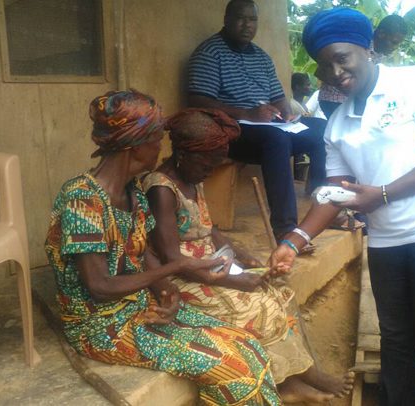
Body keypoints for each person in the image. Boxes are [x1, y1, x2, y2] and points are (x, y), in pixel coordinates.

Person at [269, 8, 415, 405]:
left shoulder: (414, 82)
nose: (335, 71)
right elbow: (334, 192)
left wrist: (382, 194)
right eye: (325, 65)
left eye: (342, 58)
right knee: (394, 335)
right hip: (386, 240)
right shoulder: (339, 124)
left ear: (366, 48)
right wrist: (294, 240)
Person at [44, 90, 280, 405]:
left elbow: (144, 255)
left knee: (249, 346)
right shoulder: (83, 200)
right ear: (135, 145)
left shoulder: (133, 192)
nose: (160, 147)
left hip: (142, 307)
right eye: (156, 139)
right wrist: (178, 266)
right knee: (234, 369)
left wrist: (167, 292)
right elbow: (100, 286)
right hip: (102, 327)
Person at [143, 108, 354, 404]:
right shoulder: (161, 190)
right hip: (184, 278)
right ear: (183, 154)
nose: (210, 171)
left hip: (211, 268)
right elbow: (171, 259)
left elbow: (208, 229)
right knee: (256, 309)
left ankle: (295, 377)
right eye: (207, 164)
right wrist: (234, 281)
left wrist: (244, 257)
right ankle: (292, 383)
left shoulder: (193, 177)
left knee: (279, 293)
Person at [184, 0, 327, 240]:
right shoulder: (209, 53)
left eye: (252, 19)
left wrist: (286, 113)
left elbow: (278, 97)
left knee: (321, 129)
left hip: (269, 126)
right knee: (277, 139)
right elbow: (198, 100)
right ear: (227, 19)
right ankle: (285, 228)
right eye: (241, 18)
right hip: (232, 131)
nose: (247, 25)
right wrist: (247, 114)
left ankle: (322, 203)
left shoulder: (261, 56)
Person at [317, 13, 408, 119]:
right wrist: (342, 84)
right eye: (394, 42)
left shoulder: (380, 53)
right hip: (333, 100)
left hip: (354, 101)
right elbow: (319, 72)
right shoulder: (358, 45)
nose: (395, 47)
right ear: (381, 34)